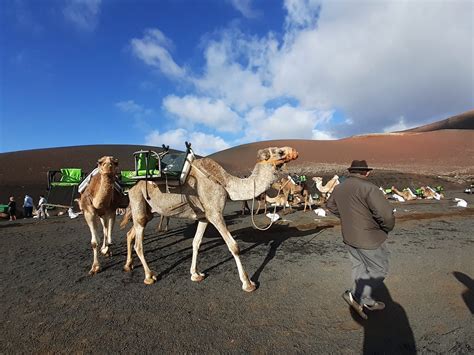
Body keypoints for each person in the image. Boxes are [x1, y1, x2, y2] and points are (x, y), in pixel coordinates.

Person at [326, 160, 395, 319]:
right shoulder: (370, 188)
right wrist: (385, 227)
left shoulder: (339, 188)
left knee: (359, 266)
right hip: (370, 238)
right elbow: (386, 215)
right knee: (379, 269)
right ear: (366, 172)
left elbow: (330, 205)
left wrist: (345, 217)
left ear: (351, 171)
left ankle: (366, 300)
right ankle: (357, 296)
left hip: (349, 236)